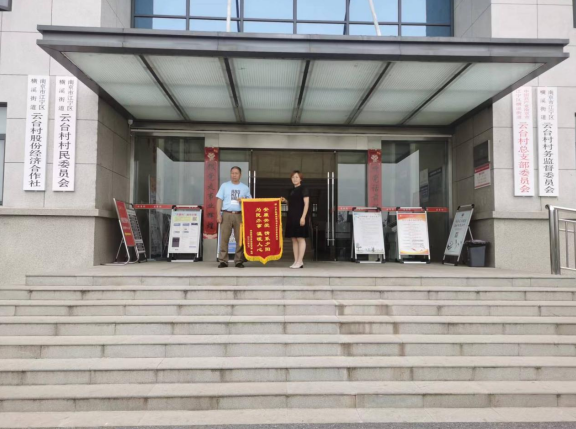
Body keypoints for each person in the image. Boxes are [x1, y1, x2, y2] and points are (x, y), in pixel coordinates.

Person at [216, 166, 252, 268]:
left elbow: (250, 202)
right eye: (232, 173)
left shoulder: (245, 188)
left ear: (240, 175)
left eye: (236, 173)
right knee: (224, 238)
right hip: (226, 214)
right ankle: (223, 261)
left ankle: (238, 260)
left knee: (240, 239)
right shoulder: (224, 186)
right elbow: (219, 200)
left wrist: (243, 200)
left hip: (239, 215)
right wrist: (218, 214)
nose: (234, 175)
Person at [281, 170, 310, 269]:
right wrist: (286, 201)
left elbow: (306, 204)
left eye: (297, 177)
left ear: (301, 179)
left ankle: (300, 261)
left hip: (300, 216)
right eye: (293, 177)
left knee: (300, 238)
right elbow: (292, 203)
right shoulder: (291, 190)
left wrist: (303, 217)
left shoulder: (304, 189)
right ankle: (296, 261)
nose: (295, 179)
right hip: (291, 216)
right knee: (293, 239)